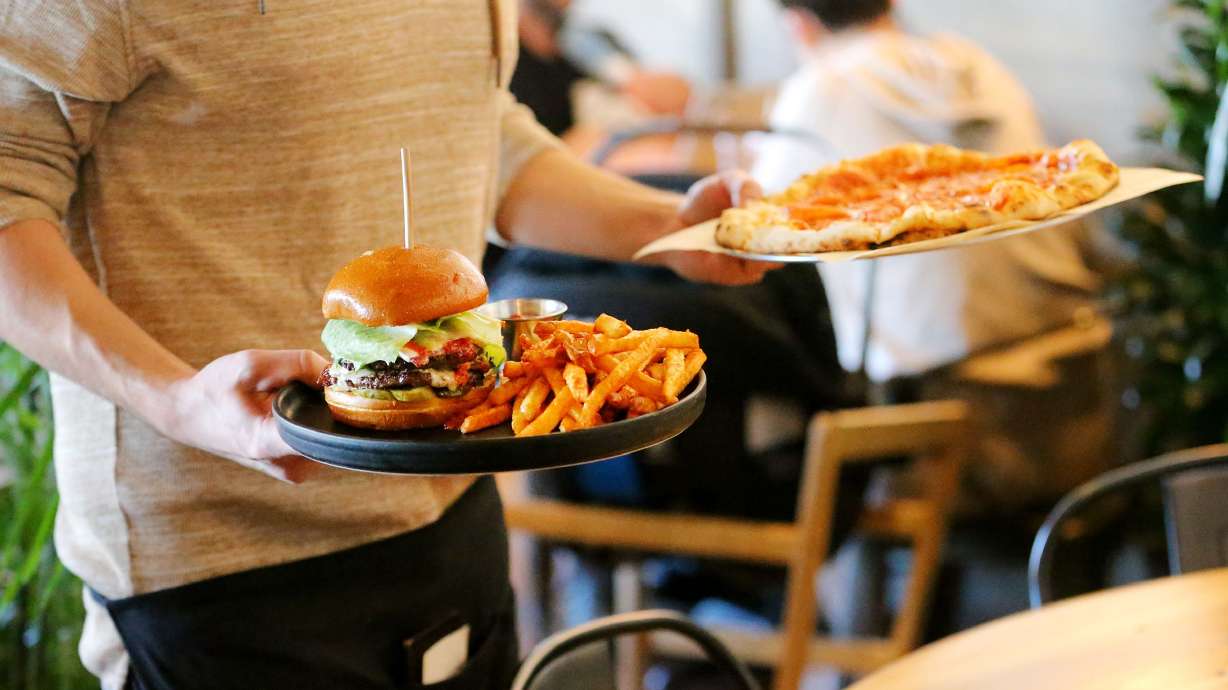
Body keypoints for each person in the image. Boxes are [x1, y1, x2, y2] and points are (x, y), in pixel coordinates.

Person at [0, 3, 774, 689]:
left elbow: (478, 134)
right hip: (222, 563)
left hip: (453, 504)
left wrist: (665, 228)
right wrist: (170, 399)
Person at [753, 0, 1119, 514]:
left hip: (951, 407)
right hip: (1077, 372)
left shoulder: (821, 88)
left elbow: (760, 235)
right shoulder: (973, 64)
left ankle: (818, 576)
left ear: (799, 24)